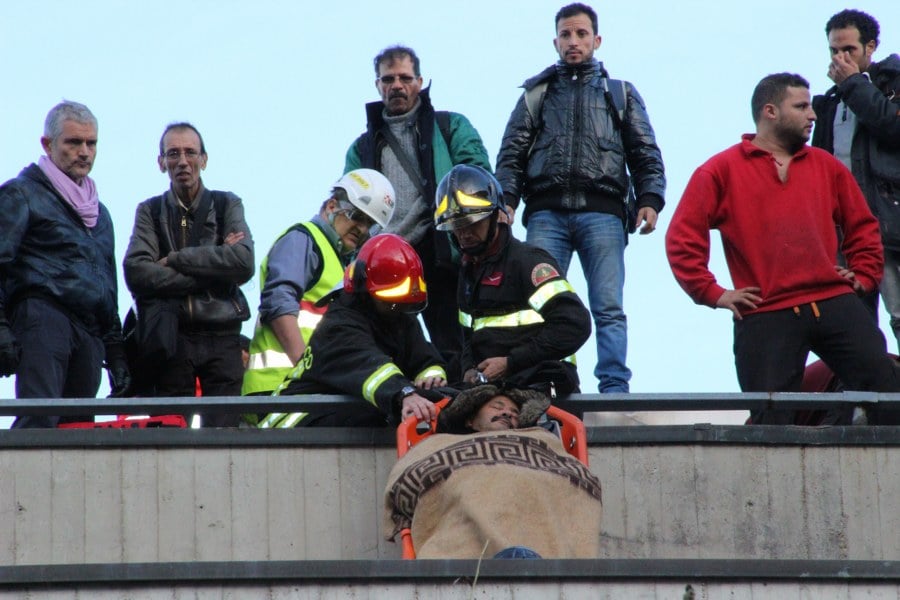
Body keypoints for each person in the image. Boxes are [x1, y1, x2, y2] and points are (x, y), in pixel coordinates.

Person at [665, 72, 900, 425]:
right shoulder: (719, 170)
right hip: (765, 308)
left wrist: (864, 275)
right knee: (770, 421)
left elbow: (863, 225)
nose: (813, 115)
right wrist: (713, 293)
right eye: (801, 106)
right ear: (770, 111)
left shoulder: (826, 165)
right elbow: (682, 238)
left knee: (887, 395)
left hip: (833, 299)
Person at [494, 3, 665, 394]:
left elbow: (645, 152)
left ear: (596, 40)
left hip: (603, 215)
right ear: (555, 41)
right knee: (538, 306)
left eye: (581, 34)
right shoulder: (536, 93)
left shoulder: (618, 92)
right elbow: (512, 153)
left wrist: (650, 199)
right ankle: (550, 383)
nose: (574, 42)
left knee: (608, 307)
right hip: (545, 215)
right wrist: (506, 200)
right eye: (567, 35)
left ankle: (614, 388)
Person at [345, 45, 492, 381]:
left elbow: (478, 174)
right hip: (385, 259)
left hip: (439, 248)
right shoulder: (361, 147)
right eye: (388, 79)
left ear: (420, 81)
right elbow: (351, 205)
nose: (397, 85)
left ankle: (459, 407)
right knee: (393, 346)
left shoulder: (449, 126)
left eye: (405, 78)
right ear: (377, 85)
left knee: (452, 341)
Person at [0, 101, 130, 428]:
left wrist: (115, 352)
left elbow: (107, 286)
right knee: (40, 420)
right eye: (73, 142)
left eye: (91, 143)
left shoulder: (100, 214)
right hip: (43, 318)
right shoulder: (22, 193)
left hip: (89, 331)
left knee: (79, 432)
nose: (84, 151)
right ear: (48, 144)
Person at [123, 122, 254, 427]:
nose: (182, 161)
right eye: (173, 153)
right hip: (172, 337)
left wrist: (176, 259)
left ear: (204, 159)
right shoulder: (150, 211)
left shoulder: (226, 204)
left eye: (190, 152)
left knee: (224, 437)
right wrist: (217, 270)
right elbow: (137, 272)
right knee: (168, 435)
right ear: (161, 163)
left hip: (223, 334)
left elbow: (244, 262)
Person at [383, 384, 602, 559]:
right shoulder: (440, 443)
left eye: (515, 413)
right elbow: (408, 481)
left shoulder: (541, 440)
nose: (507, 413)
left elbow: (574, 480)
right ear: (470, 420)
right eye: (497, 407)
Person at [259, 233, 448, 428]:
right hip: (294, 420)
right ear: (364, 291)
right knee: (378, 418)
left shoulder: (397, 315)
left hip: (337, 412)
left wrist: (432, 377)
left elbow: (423, 356)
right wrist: (404, 394)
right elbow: (369, 367)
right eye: (389, 298)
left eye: (403, 300)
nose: (396, 306)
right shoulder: (338, 326)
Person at [434, 164, 591, 397]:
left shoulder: (528, 263)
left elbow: (575, 324)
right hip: (491, 389)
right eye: (457, 226)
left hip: (544, 386)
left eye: (473, 222)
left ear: (497, 216)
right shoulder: (468, 272)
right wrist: (467, 369)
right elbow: (470, 337)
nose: (464, 233)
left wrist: (510, 362)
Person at [241, 169, 395, 397]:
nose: (362, 229)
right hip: (279, 389)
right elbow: (278, 303)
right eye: (356, 216)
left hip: (306, 390)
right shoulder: (303, 240)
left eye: (370, 224)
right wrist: (308, 371)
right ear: (332, 206)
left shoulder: (342, 263)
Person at [811, 9, 900, 347]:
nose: (840, 58)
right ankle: (869, 395)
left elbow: (893, 127)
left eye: (848, 49)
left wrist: (851, 84)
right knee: (855, 322)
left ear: (870, 47)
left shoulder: (892, 81)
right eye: (834, 50)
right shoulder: (831, 101)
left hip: (889, 223)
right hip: (843, 230)